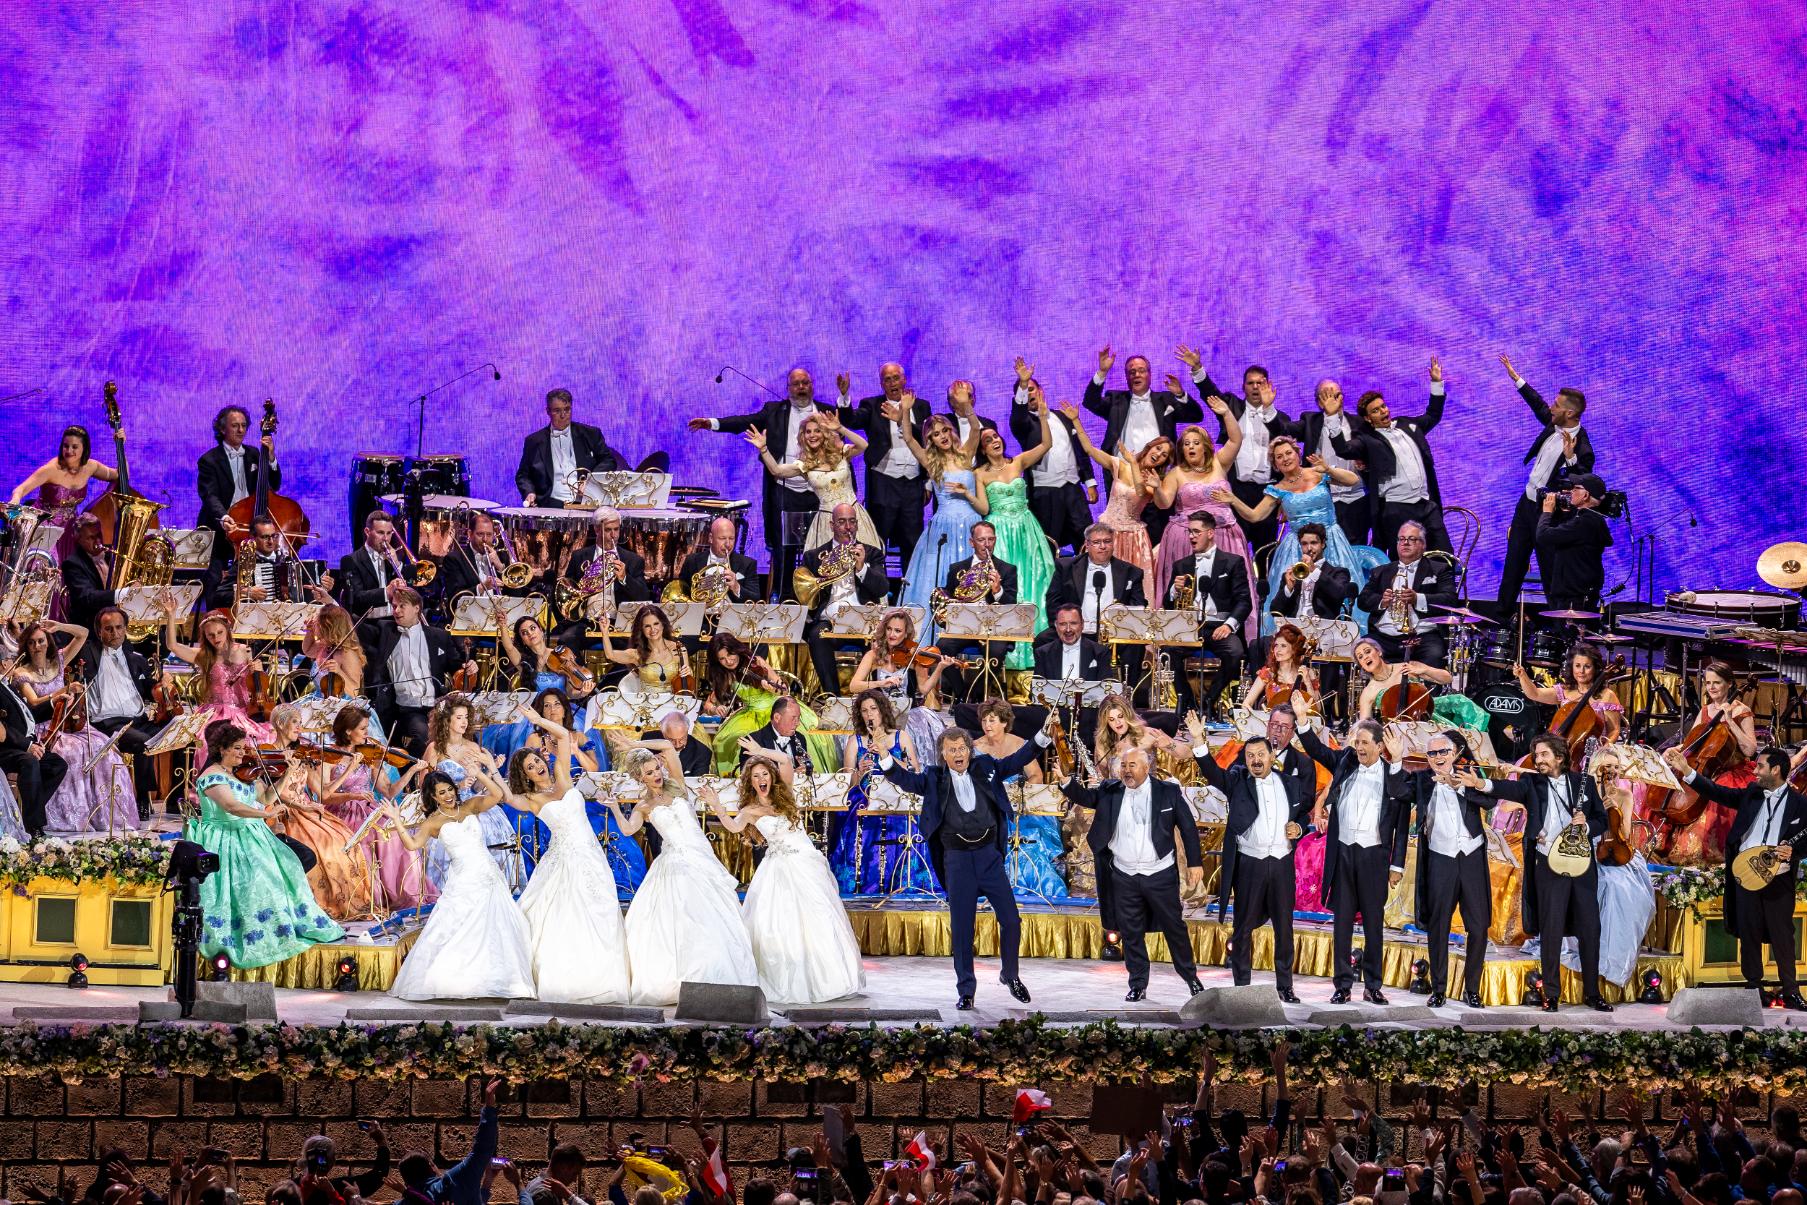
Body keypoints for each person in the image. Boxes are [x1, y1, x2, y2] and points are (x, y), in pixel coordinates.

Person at [878, 724, 1050, 1009]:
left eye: (962, 748)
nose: (958, 754)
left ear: (969, 750)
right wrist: (884, 754)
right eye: (951, 750)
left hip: (988, 858)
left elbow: (1018, 759)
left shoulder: (986, 768)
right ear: (942, 754)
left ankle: (1010, 975)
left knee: (1011, 920)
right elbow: (903, 779)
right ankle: (966, 990)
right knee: (962, 930)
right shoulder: (934, 778)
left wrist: (1041, 735)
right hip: (956, 860)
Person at [1453, 731, 1612, 1012]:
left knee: (1590, 929)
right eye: (1536, 755)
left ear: (1560, 757)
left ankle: (1592, 992)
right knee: (1550, 930)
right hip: (1548, 863)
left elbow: (1602, 819)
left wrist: (1586, 825)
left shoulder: (1583, 782)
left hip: (1581, 865)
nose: (1538, 760)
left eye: (1543, 755)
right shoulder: (1531, 783)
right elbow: (1505, 789)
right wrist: (1479, 782)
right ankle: (1551, 994)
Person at [608, 743, 759, 1005]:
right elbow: (629, 830)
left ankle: (716, 977)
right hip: (673, 865)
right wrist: (614, 808)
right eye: (649, 772)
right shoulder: (643, 806)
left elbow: (667, 745)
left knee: (714, 916)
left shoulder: (677, 785)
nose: (656, 774)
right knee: (680, 919)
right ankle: (678, 981)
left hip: (701, 858)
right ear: (639, 778)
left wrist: (634, 745)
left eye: (656, 768)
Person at [188, 720, 343, 969]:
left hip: (251, 835)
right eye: (237, 748)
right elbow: (232, 807)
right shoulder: (212, 776)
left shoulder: (243, 773)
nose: (243, 753)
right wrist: (266, 816)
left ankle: (278, 927)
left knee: (276, 877)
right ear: (222, 749)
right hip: (225, 838)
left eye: (243, 748)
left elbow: (267, 797)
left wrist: (288, 774)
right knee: (248, 885)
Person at [711, 754, 865, 1002]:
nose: (761, 779)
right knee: (779, 922)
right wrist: (716, 805)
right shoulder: (750, 810)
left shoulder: (785, 798)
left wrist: (761, 749)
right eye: (756, 776)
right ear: (750, 782)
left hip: (807, 865)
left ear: (772, 777)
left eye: (765, 774)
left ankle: (828, 978)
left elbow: (784, 759)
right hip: (779, 869)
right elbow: (732, 826)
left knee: (819, 917)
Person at [504, 711, 632, 1004]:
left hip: (590, 858)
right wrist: (488, 768)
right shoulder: (532, 800)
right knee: (565, 916)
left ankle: (604, 977)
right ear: (524, 775)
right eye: (529, 767)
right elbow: (506, 797)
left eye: (536, 760)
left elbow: (562, 735)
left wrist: (537, 717)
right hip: (563, 861)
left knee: (600, 910)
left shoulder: (563, 776)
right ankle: (567, 979)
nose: (536, 766)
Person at [1665, 744, 1807, 1008]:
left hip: (1778, 878)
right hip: (1745, 873)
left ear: (1776, 770)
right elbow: (1718, 793)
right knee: (1749, 931)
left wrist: (1795, 848)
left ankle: (1791, 991)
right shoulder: (1752, 794)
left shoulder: (1800, 804)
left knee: (1783, 934)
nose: (1755, 770)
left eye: (1761, 765)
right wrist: (1686, 771)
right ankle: (1753, 987)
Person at [1061, 745, 1205, 1000]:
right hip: (1123, 874)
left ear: (1147, 767)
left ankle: (1191, 978)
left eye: (1132, 766)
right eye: (1123, 766)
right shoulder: (1110, 790)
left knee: (1175, 928)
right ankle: (1138, 983)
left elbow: (1188, 828)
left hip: (1159, 873)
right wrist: (1066, 784)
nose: (1126, 771)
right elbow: (1087, 798)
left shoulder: (1167, 792)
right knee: (1130, 931)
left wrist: (1195, 863)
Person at [1190, 714, 1315, 1002]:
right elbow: (1213, 774)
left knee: (1284, 928)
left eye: (1261, 754)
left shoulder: (1290, 784)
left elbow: (1301, 815)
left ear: (1273, 756)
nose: (1256, 760)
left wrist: (1299, 826)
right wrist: (1199, 740)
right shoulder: (1238, 782)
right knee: (1243, 928)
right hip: (1250, 864)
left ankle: (1285, 987)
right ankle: (1242, 987)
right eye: (1250, 756)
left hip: (1281, 864)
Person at [382, 766, 535, 1001]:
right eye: (441, 793)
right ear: (433, 797)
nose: (447, 795)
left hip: (489, 874)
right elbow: (413, 845)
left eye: (449, 789)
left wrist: (482, 773)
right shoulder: (432, 822)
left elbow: (496, 795)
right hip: (463, 878)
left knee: (497, 924)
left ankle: (498, 978)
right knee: (460, 925)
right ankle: (457, 979)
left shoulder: (470, 806)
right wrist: (396, 821)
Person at [1216, 436, 1384, 636]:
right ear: (1275, 464)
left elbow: (1354, 480)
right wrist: (1233, 499)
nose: (1285, 458)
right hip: (1297, 546)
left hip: (1330, 541)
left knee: (1335, 592)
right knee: (1295, 596)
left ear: (1298, 454)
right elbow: (1254, 515)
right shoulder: (1277, 489)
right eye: (1279, 457)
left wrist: (1328, 469)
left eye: (1288, 453)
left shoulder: (1317, 473)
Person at [690, 368, 834, 600]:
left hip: (817, 492)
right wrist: (712, 423)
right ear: (788, 389)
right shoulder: (774, 411)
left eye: (805, 382)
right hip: (784, 489)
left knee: (818, 547)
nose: (800, 387)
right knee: (783, 549)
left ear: (812, 385)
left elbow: (851, 420)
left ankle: (818, 597)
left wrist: (844, 399)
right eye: (795, 384)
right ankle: (785, 596)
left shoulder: (826, 411)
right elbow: (744, 422)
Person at [1295, 719, 1412, 1004]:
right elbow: (1316, 749)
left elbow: (1402, 823)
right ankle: (1342, 985)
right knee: (1342, 922)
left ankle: (1373, 985)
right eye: (1356, 742)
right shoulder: (1345, 763)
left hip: (1374, 856)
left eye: (1364, 743)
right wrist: (1302, 720)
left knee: (1374, 923)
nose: (1358, 747)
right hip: (1344, 852)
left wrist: (1396, 866)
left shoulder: (1394, 776)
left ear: (1379, 746)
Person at [1493, 354, 1597, 620]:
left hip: (1549, 514)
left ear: (1570, 413)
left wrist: (1570, 458)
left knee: (1550, 568)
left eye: (1557, 405)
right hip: (1526, 504)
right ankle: (1502, 618)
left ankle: (1558, 625)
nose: (1551, 408)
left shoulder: (1582, 447)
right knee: (1514, 562)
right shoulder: (1553, 424)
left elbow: (1581, 483)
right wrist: (1516, 378)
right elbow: (1538, 404)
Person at [9, 620, 136, 833]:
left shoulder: (58, 660)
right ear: (26, 645)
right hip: (44, 727)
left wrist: (58, 626)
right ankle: (68, 816)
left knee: (103, 746)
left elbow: (83, 633)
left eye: (41, 641)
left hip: (68, 723)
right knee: (73, 753)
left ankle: (102, 815)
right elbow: (33, 703)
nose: (37, 646)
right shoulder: (22, 672)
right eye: (32, 642)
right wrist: (61, 691)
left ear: (47, 642)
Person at [262, 703, 373, 921]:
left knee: (342, 838)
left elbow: (323, 792)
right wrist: (301, 805)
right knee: (322, 844)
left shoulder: (303, 752)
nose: (299, 728)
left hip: (307, 809)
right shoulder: (269, 753)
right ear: (280, 724)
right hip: (284, 811)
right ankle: (318, 903)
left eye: (301, 723)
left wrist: (348, 770)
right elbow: (272, 793)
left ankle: (349, 900)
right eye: (295, 723)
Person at [1084, 345, 1204, 545]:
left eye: (1141, 370)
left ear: (1149, 374)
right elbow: (1090, 401)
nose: (1136, 375)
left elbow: (1196, 415)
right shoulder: (1117, 400)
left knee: (1157, 531)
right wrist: (1102, 372)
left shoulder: (1164, 399)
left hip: (1155, 478)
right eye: (1131, 372)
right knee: (1120, 533)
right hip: (1123, 477)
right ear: (1126, 377)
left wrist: (1181, 394)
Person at [1331, 359, 1452, 554]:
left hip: (1426, 504)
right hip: (1397, 509)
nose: (1383, 411)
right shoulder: (1367, 440)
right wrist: (1331, 418)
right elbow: (1343, 449)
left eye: (1383, 406)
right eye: (1376, 411)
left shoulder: (1405, 424)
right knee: (1402, 561)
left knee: (1444, 557)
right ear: (1368, 419)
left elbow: (1433, 415)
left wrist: (1436, 383)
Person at [1410, 731, 1495, 1007]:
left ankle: (1472, 989)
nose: (1437, 758)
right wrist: (1398, 759)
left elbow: (1490, 801)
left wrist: (1460, 786)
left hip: (1470, 857)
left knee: (1479, 926)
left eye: (1442, 752)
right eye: (1432, 754)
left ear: (1455, 753)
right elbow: (1398, 790)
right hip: (1440, 859)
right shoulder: (1422, 780)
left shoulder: (1469, 774)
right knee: (1438, 927)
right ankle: (1439, 989)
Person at [1183, 349, 1293, 561]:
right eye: (1250, 383)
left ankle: (1263, 592)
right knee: (1233, 548)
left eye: (1260, 383)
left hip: (1267, 493)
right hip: (1236, 489)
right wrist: (1197, 368)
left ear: (1268, 386)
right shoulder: (1231, 407)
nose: (1255, 387)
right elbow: (1210, 394)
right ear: (1243, 387)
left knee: (1266, 551)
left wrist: (1284, 500)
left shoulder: (1282, 418)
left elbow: (1287, 457)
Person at [320, 705, 432, 912]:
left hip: (368, 809)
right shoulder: (330, 756)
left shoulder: (369, 756)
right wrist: (351, 791)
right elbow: (324, 796)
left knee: (394, 836)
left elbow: (388, 791)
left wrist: (412, 770)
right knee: (364, 841)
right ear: (347, 731)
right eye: (363, 729)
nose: (367, 734)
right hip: (342, 812)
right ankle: (370, 897)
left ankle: (401, 893)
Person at [893, 401, 987, 644]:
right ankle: (932, 641)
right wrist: (904, 410)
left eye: (945, 430)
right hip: (943, 529)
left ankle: (970, 635)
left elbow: (976, 429)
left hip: (970, 524)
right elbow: (909, 439)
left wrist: (966, 405)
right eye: (935, 434)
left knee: (971, 579)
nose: (942, 436)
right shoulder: (930, 461)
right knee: (938, 578)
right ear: (931, 440)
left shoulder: (966, 455)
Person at [1649, 660, 1758, 866]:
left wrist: (1730, 720)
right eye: (1708, 683)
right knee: (1668, 785)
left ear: (1729, 684)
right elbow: (1693, 742)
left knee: (1716, 797)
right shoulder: (1706, 710)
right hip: (1705, 766)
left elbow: (1750, 750)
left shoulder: (1741, 711)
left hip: (1731, 771)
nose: (1711, 688)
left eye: (1717, 682)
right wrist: (1675, 750)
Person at [972, 407, 1054, 671]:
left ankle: (1035, 653)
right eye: (987, 440)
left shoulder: (1017, 462)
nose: (994, 441)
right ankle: (1007, 654)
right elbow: (984, 509)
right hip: (1001, 533)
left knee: (1035, 581)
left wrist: (1042, 416)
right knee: (1007, 587)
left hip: (1026, 530)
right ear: (982, 448)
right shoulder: (980, 474)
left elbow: (1046, 444)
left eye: (996, 436)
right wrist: (966, 493)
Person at [835, 688, 932, 896]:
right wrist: (860, 771)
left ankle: (901, 879)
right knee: (861, 817)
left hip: (898, 795)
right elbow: (849, 783)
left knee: (904, 822)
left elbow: (914, 772)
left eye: (873, 709)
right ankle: (865, 880)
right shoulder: (856, 741)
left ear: (882, 711)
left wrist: (885, 753)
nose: (869, 714)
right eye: (864, 711)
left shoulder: (901, 736)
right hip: (866, 796)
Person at [1150, 409, 1247, 616]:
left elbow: (1236, 439)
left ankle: (1232, 627)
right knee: (1187, 592)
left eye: (1195, 442)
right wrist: (1157, 487)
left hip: (1224, 535)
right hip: (1188, 537)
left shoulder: (1219, 463)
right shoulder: (1176, 473)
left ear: (1205, 446)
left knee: (1229, 590)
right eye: (1186, 444)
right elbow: (1164, 503)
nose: (1190, 447)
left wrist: (1226, 413)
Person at [835, 362, 932, 563]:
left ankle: (909, 592)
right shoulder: (871, 405)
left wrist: (928, 483)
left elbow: (928, 438)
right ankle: (876, 591)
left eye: (896, 377)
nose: (892, 382)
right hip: (883, 482)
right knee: (876, 540)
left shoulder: (921, 406)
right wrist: (844, 398)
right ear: (881, 384)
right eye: (887, 379)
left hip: (913, 483)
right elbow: (851, 420)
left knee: (912, 542)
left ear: (904, 380)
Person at [361, 585, 473, 756]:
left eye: (401, 606)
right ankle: (411, 772)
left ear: (416, 608)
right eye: (394, 606)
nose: (396, 610)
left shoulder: (438, 636)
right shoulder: (386, 631)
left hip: (438, 706)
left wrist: (470, 666)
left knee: (467, 734)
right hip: (407, 709)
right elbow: (355, 624)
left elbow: (457, 666)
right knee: (424, 735)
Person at [1061, 403, 1167, 582]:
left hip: (1134, 538)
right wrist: (1076, 420)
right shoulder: (1119, 465)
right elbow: (1089, 449)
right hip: (1107, 532)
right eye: (1158, 448)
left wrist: (1134, 463)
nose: (1159, 454)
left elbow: (1140, 491)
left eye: (1164, 454)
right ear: (1149, 447)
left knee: (1129, 585)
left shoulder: (1154, 482)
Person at [744, 410, 878, 550]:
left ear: (825, 433)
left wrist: (840, 428)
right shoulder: (805, 465)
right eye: (808, 432)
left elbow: (863, 445)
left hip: (853, 515)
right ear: (803, 436)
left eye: (817, 431)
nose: (812, 435)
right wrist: (764, 449)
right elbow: (776, 470)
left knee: (861, 559)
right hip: (828, 521)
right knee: (827, 564)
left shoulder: (842, 453)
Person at [73, 606, 163, 812]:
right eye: (108, 629)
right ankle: (143, 799)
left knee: (181, 735)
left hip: (139, 720)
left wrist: (162, 683)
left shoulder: (137, 659)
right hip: (108, 724)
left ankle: (178, 800)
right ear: (99, 632)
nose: (115, 633)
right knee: (145, 743)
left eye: (119, 627)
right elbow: (78, 636)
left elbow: (151, 690)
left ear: (126, 629)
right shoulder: (87, 654)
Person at [423, 695, 519, 886]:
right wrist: (456, 788)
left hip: (474, 804)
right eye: (459, 717)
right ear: (446, 720)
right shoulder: (434, 749)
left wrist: (492, 770)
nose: (465, 722)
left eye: (466, 717)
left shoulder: (473, 747)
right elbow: (425, 786)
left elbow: (478, 787)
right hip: (447, 807)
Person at [972, 698, 1063, 900]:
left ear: (1004, 722)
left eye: (992, 720)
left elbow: (1036, 776)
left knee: (1030, 843)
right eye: (984, 720)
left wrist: (1018, 794)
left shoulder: (1019, 744)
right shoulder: (974, 747)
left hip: (1019, 806)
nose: (987, 725)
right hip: (988, 808)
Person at [1164, 512, 1252, 717]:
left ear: (1211, 533)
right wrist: (1174, 591)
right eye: (1189, 532)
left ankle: (1209, 699)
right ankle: (1185, 700)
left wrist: (1229, 625)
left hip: (1220, 624)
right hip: (1190, 626)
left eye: (1196, 531)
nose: (1191, 537)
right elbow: (1167, 604)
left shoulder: (1232, 562)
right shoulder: (1182, 565)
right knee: (1168, 650)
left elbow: (1244, 601)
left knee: (1235, 652)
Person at [797, 504, 890, 697]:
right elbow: (801, 592)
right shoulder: (814, 556)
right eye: (842, 522)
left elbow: (882, 588)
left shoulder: (872, 553)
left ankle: (871, 697)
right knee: (817, 636)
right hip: (828, 621)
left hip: (863, 622)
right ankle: (833, 697)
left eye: (852, 521)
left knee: (879, 642)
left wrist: (862, 567)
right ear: (831, 525)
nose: (848, 527)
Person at [162, 602, 276, 753]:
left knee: (260, 739)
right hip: (214, 714)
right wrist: (171, 614)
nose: (216, 638)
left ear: (227, 630)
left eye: (220, 632)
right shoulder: (203, 655)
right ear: (205, 636)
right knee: (210, 741)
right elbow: (172, 646)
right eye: (211, 635)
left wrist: (259, 670)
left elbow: (256, 684)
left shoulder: (243, 650)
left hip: (242, 712)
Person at [1010, 357, 1096, 553]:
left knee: (1084, 537)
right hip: (1045, 492)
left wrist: (1090, 481)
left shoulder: (1064, 416)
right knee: (1048, 543)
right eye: (1025, 392)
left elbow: (1079, 449)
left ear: (1041, 391)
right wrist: (1023, 383)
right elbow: (1018, 414)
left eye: (1032, 388)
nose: (1030, 394)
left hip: (1073, 487)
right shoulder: (1023, 424)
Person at [846, 609, 954, 756]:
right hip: (880, 717)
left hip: (909, 715)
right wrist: (880, 683)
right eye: (889, 629)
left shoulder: (914, 656)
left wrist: (940, 668)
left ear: (906, 634)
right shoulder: (873, 655)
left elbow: (924, 689)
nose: (892, 634)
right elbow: (854, 686)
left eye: (897, 631)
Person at [1356, 522, 1459, 669]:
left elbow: (1450, 599)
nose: (1405, 543)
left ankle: (1428, 692)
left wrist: (1417, 599)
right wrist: (1382, 602)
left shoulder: (1439, 569)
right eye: (1401, 539)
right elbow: (1363, 600)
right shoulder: (1381, 571)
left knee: (1435, 654)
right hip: (1385, 636)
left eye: (1412, 539)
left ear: (1423, 545)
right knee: (1361, 648)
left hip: (1422, 637)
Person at [9, 425, 118, 563]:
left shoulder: (90, 467)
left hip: (71, 532)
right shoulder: (51, 469)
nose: (69, 450)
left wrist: (121, 444)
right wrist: (15, 500)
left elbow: (117, 474)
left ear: (84, 448)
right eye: (66, 446)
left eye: (74, 447)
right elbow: (21, 489)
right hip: (47, 531)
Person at [197, 405, 279, 585]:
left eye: (243, 425)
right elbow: (209, 495)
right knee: (216, 582)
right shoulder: (208, 460)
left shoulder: (254, 453)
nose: (240, 430)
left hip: (249, 528)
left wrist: (270, 457)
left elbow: (274, 485)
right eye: (235, 426)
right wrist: (224, 517)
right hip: (220, 529)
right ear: (222, 428)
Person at [1288, 378, 1371, 544]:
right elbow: (1283, 429)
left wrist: (1366, 464)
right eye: (1327, 396)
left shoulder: (1359, 423)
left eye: (1337, 395)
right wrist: (1267, 409)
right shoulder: (1310, 422)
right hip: (1323, 500)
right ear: (1319, 403)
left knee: (1356, 548)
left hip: (1356, 498)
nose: (1334, 400)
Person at [396, 1078, 505, 1205]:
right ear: (431, 1167)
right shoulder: (453, 1181)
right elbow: (482, 1149)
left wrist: (487, 1183)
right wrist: (489, 1107)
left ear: (406, 1181)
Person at [515, 388, 628, 507]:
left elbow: (608, 460)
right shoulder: (534, 441)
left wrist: (591, 480)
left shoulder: (590, 434)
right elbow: (523, 475)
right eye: (557, 411)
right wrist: (529, 492)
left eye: (567, 409)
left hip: (587, 503)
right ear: (548, 411)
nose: (563, 415)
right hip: (550, 505)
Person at [1512, 642, 1623, 762]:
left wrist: (1603, 752)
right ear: (1572, 667)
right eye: (1578, 665)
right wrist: (1522, 676)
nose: (1581, 671)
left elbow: (1614, 730)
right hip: (1561, 752)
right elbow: (1535, 694)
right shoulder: (1564, 691)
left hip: (1592, 755)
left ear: (1595, 669)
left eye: (1587, 666)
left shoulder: (1607, 696)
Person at [558, 508, 652, 642]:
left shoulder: (633, 560)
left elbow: (643, 595)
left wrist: (625, 578)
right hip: (587, 621)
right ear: (597, 530)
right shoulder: (579, 556)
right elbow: (569, 589)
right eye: (608, 530)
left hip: (618, 623)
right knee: (566, 640)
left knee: (631, 649)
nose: (613, 535)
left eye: (616, 529)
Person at [0, 652, 65, 836]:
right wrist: (28, 746)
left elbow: (30, 715)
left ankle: (26, 813)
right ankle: (34, 827)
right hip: (7, 748)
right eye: (12, 659)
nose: (15, 662)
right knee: (29, 761)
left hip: (23, 745)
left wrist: (55, 702)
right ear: (5, 663)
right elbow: (2, 729)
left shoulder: (8, 686)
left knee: (57, 765)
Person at [1047, 524, 1148, 642]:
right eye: (1097, 542)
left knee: (1136, 646)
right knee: (1042, 640)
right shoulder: (1066, 567)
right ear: (1087, 544)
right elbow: (1053, 601)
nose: (1103, 546)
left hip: (1114, 634)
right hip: (1075, 631)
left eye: (1107, 541)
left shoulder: (1131, 572)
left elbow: (1139, 605)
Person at [1534, 474, 1614, 615]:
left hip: (1575, 596)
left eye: (1576, 488)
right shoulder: (1588, 519)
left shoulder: (1586, 522)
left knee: (1572, 634)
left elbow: (1543, 536)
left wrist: (1547, 512)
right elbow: (1564, 536)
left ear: (1586, 495)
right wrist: (1564, 513)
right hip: (1575, 592)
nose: (1571, 492)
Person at [1351, 637, 1453, 722]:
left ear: (1379, 652)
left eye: (1368, 651)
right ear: (1361, 666)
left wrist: (1424, 670)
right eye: (1360, 657)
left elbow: (1448, 679)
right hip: (1397, 728)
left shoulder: (1407, 667)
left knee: (1462, 701)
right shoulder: (1368, 692)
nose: (1365, 657)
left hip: (1426, 713)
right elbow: (1364, 726)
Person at [1269, 523, 1356, 622]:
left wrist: (1314, 571)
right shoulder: (1293, 574)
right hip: (1295, 630)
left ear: (1323, 544)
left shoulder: (1338, 572)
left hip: (1324, 630)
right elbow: (1275, 612)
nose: (1309, 548)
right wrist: (1288, 588)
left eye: (1314, 543)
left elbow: (1339, 594)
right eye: (1304, 544)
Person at [334, 510, 404, 621]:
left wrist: (396, 564)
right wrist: (386, 592)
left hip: (393, 621)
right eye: (380, 533)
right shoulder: (351, 560)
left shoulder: (392, 558)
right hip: (366, 625)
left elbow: (408, 590)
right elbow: (356, 597)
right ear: (367, 532)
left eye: (389, 533)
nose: (386, 538)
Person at [674, 517, 761, 606]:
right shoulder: (691, 561)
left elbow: (756, 600)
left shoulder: (747, 564)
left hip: (731, 617)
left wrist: (736, 587)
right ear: (711, 538)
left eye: (731, 538)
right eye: (722, 538)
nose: (728, 544)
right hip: (701, 617)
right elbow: (681, 593)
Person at [1240, 623, 1318, 715]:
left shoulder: (1308, 673)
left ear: (1294, 649)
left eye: (1283, 646)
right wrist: (1259, 719)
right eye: (1276, 645)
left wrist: (1308, 682)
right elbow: (1246, 704)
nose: (1277, 650)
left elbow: (1317, 709)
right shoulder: (1268, 673)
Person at [59, 513, 117, 632]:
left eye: (99, 535)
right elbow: (88, 598)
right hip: (91, 628)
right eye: (91, 537)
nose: (98, 541)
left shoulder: (113, 554)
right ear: (78, 539)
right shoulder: (72, 564)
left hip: (118, 622)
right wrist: (119, 595)